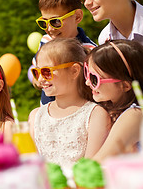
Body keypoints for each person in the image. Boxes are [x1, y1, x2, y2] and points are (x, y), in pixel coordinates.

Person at [28, 38, 110, 171]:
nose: (41, 79)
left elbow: (90, 169)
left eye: (47, 71)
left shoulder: (95, 115)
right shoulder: (36, 116)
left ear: (74, 71)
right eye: (36, 72)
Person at [84, 40, 143, 162]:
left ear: (125, 86)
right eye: (87, 74)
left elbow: (98, 162)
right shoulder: (113, 110)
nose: (87, 82)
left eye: (94, 79)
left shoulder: (135, 114)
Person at [32, 0, 96, 106]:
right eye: (44, 23)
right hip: (47, 112)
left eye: (55, 21)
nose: (50, 29)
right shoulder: (45, 41)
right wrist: (37, 79)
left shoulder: (90, 51)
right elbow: (35, 70)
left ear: (77, 16)